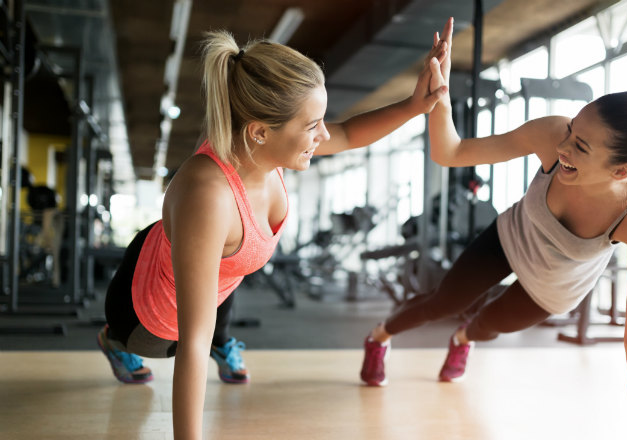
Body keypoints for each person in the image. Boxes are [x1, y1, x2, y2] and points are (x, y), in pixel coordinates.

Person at [360, 18, 627, 440]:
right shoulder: (552, 135)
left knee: (487, 325)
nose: (563, 147)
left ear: (621, 171)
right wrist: (439, 96)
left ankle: (464, 339)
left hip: (553, 287)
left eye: (580, 148)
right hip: (510, 238)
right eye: (572, 132)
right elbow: (451, 151)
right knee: (441, 302)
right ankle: (378, 336)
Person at [97, 21, 451, 439]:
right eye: (311, 125)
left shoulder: (264, 147)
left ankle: (215, 329)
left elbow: (349, 132)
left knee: (220, 299)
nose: (322, 135)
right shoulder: (209, 195)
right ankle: (112, 342)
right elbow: (191, 344)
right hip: (146, 312)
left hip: (216, 269)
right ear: (259, 132)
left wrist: (415, 105)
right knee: (173, 340)